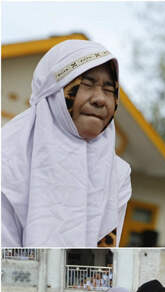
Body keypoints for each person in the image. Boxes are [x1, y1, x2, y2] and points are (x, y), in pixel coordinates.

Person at [2, 40, 131, 247]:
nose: (100, 99)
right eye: (86, 84)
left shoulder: (118, 174)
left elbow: (102, 261)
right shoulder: (8, 158)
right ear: (53, 91)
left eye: (109, 89)